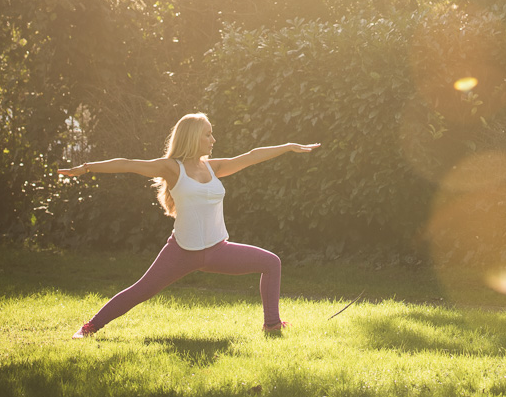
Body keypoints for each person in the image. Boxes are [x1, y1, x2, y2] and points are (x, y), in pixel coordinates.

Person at [58, 112, 319, 339]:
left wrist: (287, 146)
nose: (213, 140)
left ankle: (272, 324)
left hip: (219, 250)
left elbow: (251, 156)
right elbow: (128, 164)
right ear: (193, 137)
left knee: (271, 262)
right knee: (140, 291)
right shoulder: (172, 168)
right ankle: (89, 328)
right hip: (181, 251)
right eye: (208, 135)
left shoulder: (214, 168)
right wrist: (86, 168)